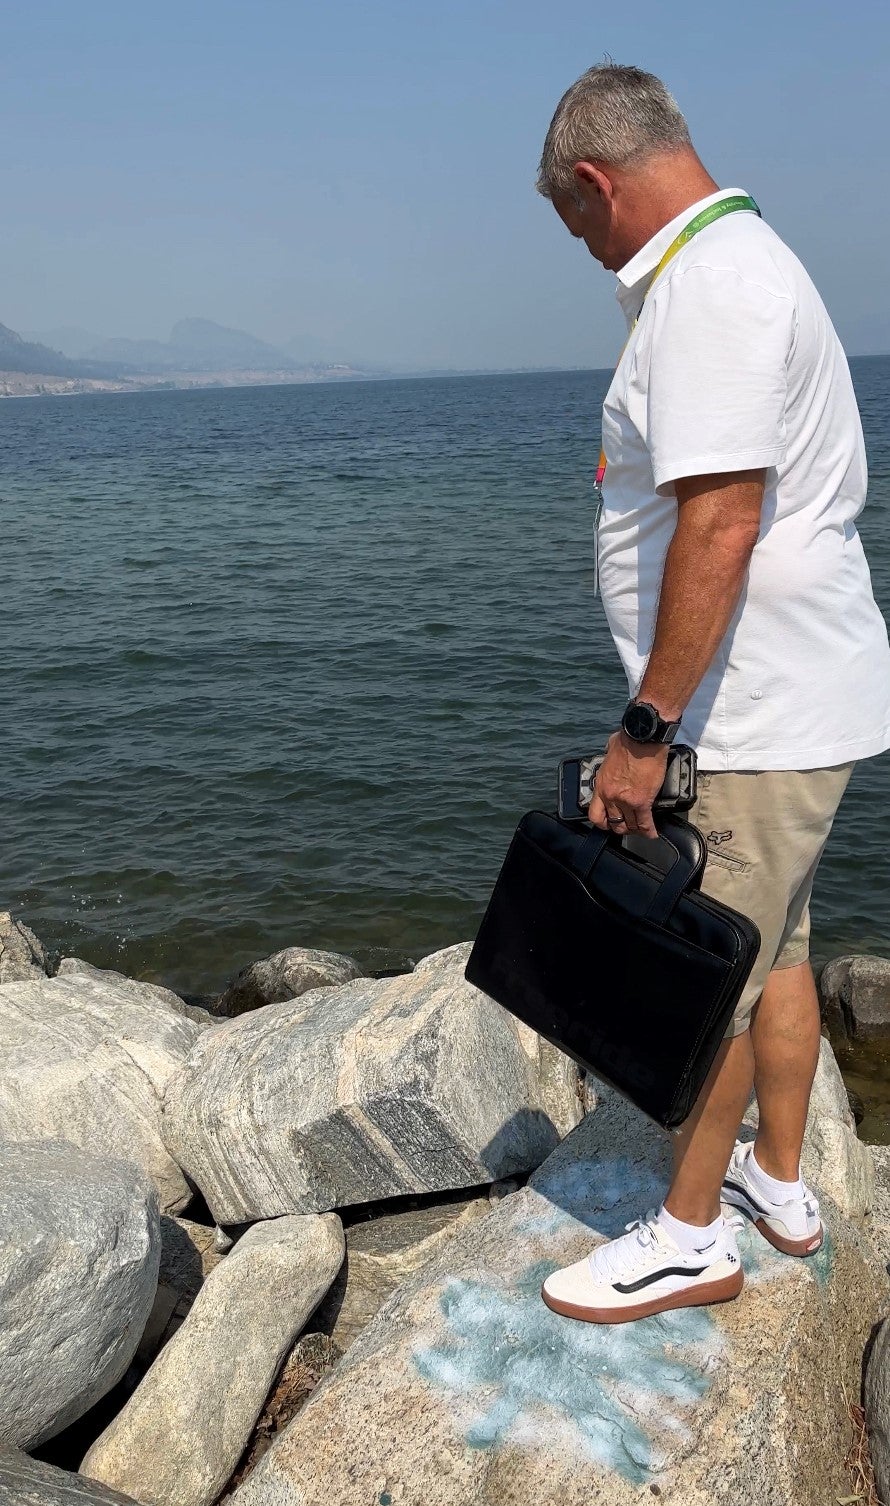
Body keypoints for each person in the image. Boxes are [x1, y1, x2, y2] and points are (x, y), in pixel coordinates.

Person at [535, 63, 890, 1325]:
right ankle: (779, 1186)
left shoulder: (709, 288)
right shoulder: (743, 264)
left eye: (575, 226)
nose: (586, 252)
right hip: (788, 701)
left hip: (751, 713)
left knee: (709, 975)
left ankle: (689, 1238)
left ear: (596, 182)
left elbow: (721, 520)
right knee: (772, 948)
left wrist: (645, 730)